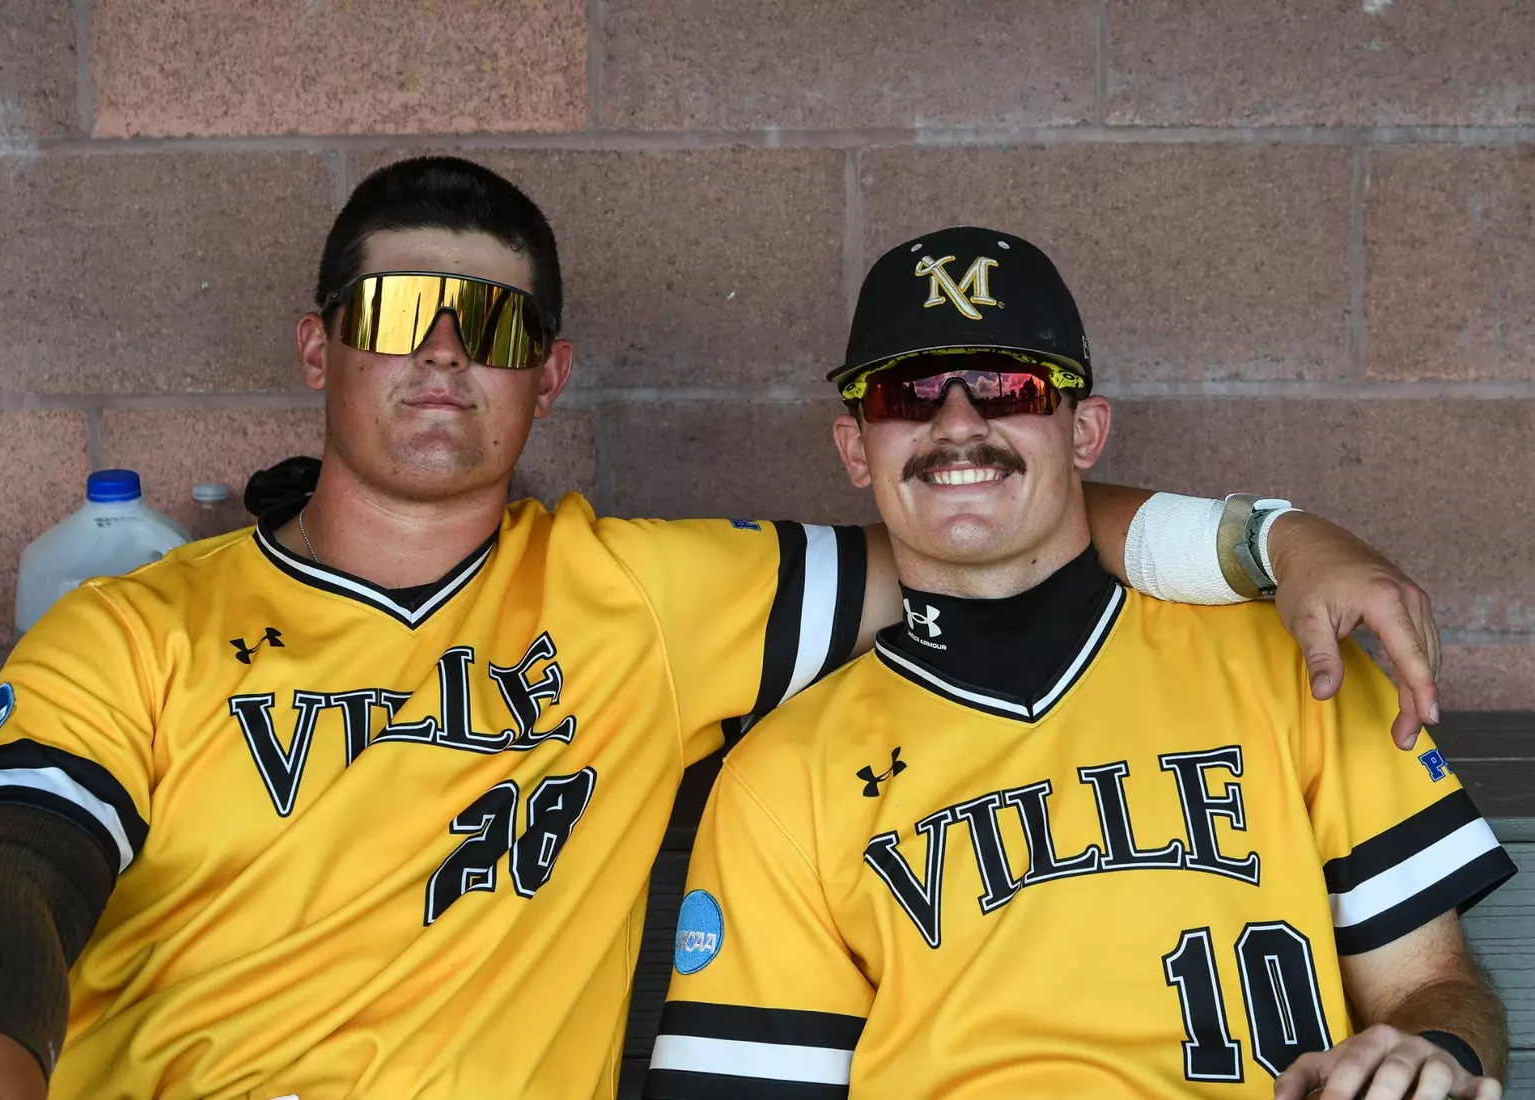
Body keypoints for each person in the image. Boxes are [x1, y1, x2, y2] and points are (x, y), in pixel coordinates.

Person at [0, 161, 1445, 1100]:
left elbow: (980, 516)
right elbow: (7, 879)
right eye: (394, 317)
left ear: (548, 373)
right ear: (318, 345)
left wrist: (1269, 540)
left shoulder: (644, 598)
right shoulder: (138, 623)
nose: (445, 359)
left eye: (494, 328)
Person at [644, 227, 1516, 1100]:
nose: (957, 424)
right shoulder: (782, 780)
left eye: (1008, 387)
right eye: (906, 395)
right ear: (854, 448)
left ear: (1086, 430)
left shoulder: (1292, 662)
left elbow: (1432, 987)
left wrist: (1436, 1053)